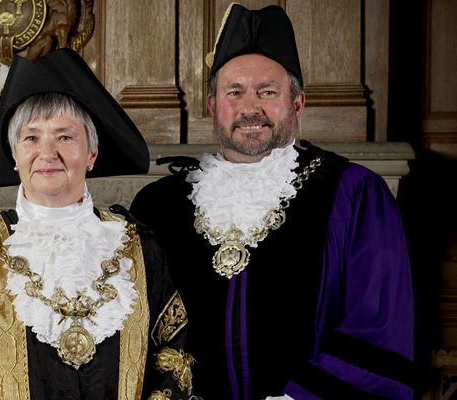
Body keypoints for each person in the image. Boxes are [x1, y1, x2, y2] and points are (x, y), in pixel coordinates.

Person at [130, 4, 414, 400]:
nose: (250, 108)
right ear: (212, 104)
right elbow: (138, 330)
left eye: (267, 91)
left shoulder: (353, 195)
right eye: (235, 92)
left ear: (297, 103)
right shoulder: (158, 205)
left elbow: (378, 327)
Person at [0, 48, 193, 399]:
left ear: (92, 154)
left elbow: (175, 357)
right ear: (15, 156)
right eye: (31, 138)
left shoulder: (139, 249)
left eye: (65, 136)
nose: (47, 153)